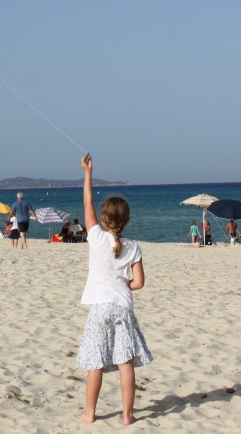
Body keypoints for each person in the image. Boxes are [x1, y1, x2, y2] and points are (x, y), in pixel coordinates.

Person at [76, 153, 151, 426]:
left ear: (104, 218)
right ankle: (128, 415)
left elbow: (87, 203)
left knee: (95, 363)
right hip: (122, 307)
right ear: (126, 220)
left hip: (100, 308)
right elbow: (139, 283)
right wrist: (122, 284)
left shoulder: (96, 237)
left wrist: (87, 174)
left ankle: (89, 413)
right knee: (125, 363)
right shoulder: (133, 247)